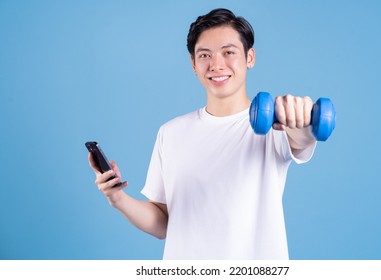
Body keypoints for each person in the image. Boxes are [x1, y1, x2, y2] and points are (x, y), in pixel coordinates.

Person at [88, 8, 316, 260]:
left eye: (228, 52)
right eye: (205, 55)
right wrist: (117, 197)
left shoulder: (276, 124)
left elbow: (302, 138)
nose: (216, 65)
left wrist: (301, 120)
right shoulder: (171, 133)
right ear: (193, 64)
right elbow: (163, 222)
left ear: (250, 57)